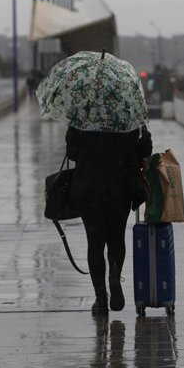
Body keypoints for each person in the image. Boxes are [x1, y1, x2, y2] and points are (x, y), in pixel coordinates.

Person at [66, 124, 152, 316]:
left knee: (95, 242)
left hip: (88, 185)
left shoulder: (82, 112)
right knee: (116, 237)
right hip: (120, 185)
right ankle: (114, 275)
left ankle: (101, 299)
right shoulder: (125, 112)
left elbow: (72, 153)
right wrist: (144, 133)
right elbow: (143, 150)